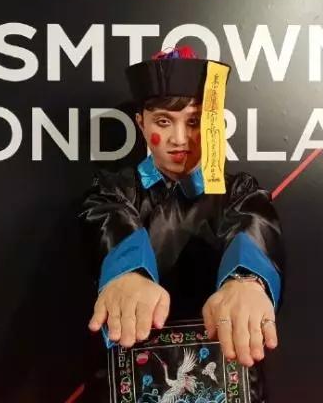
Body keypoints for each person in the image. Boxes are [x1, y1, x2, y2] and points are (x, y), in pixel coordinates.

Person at [79, 46, 284, 402]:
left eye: (193, 121)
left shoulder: (238, 192)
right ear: (141, 124)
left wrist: (247, 282)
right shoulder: (115, 190)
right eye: (163, 121)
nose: (179, 138)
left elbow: (252, 225)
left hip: (227, 383)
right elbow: (110, 221)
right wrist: (128, 274)